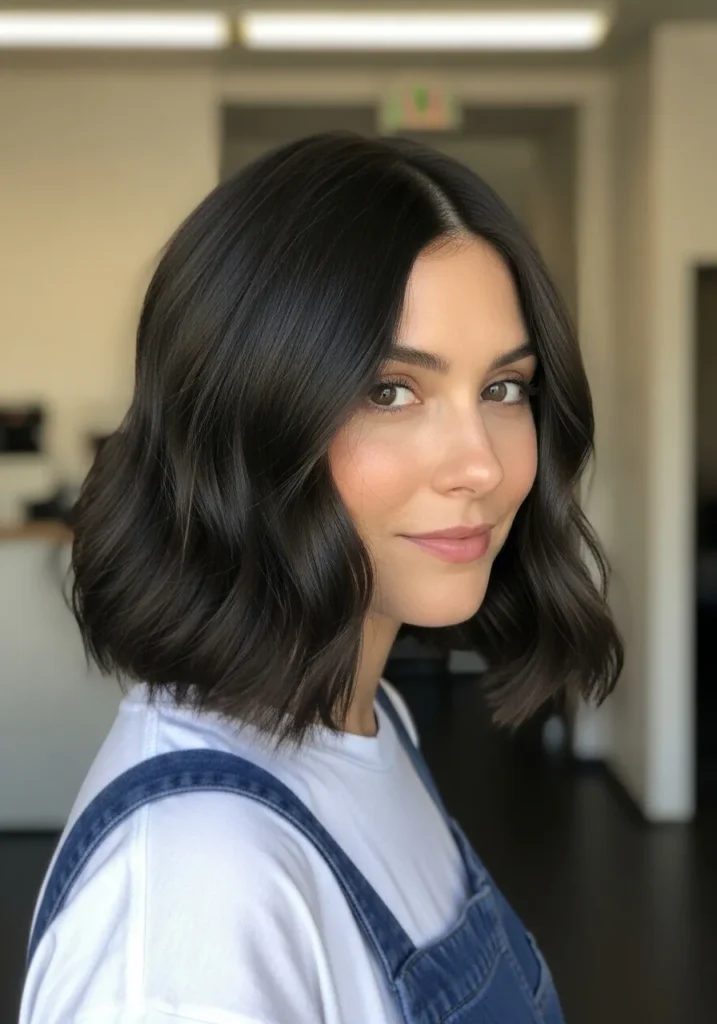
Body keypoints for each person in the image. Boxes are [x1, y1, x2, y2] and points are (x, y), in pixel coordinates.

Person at [19, 131, 623, 1024]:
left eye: (503, 389)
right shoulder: (194, 898)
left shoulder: (370, 720)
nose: (481, 468)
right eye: (390, 391)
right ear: (248, 421)